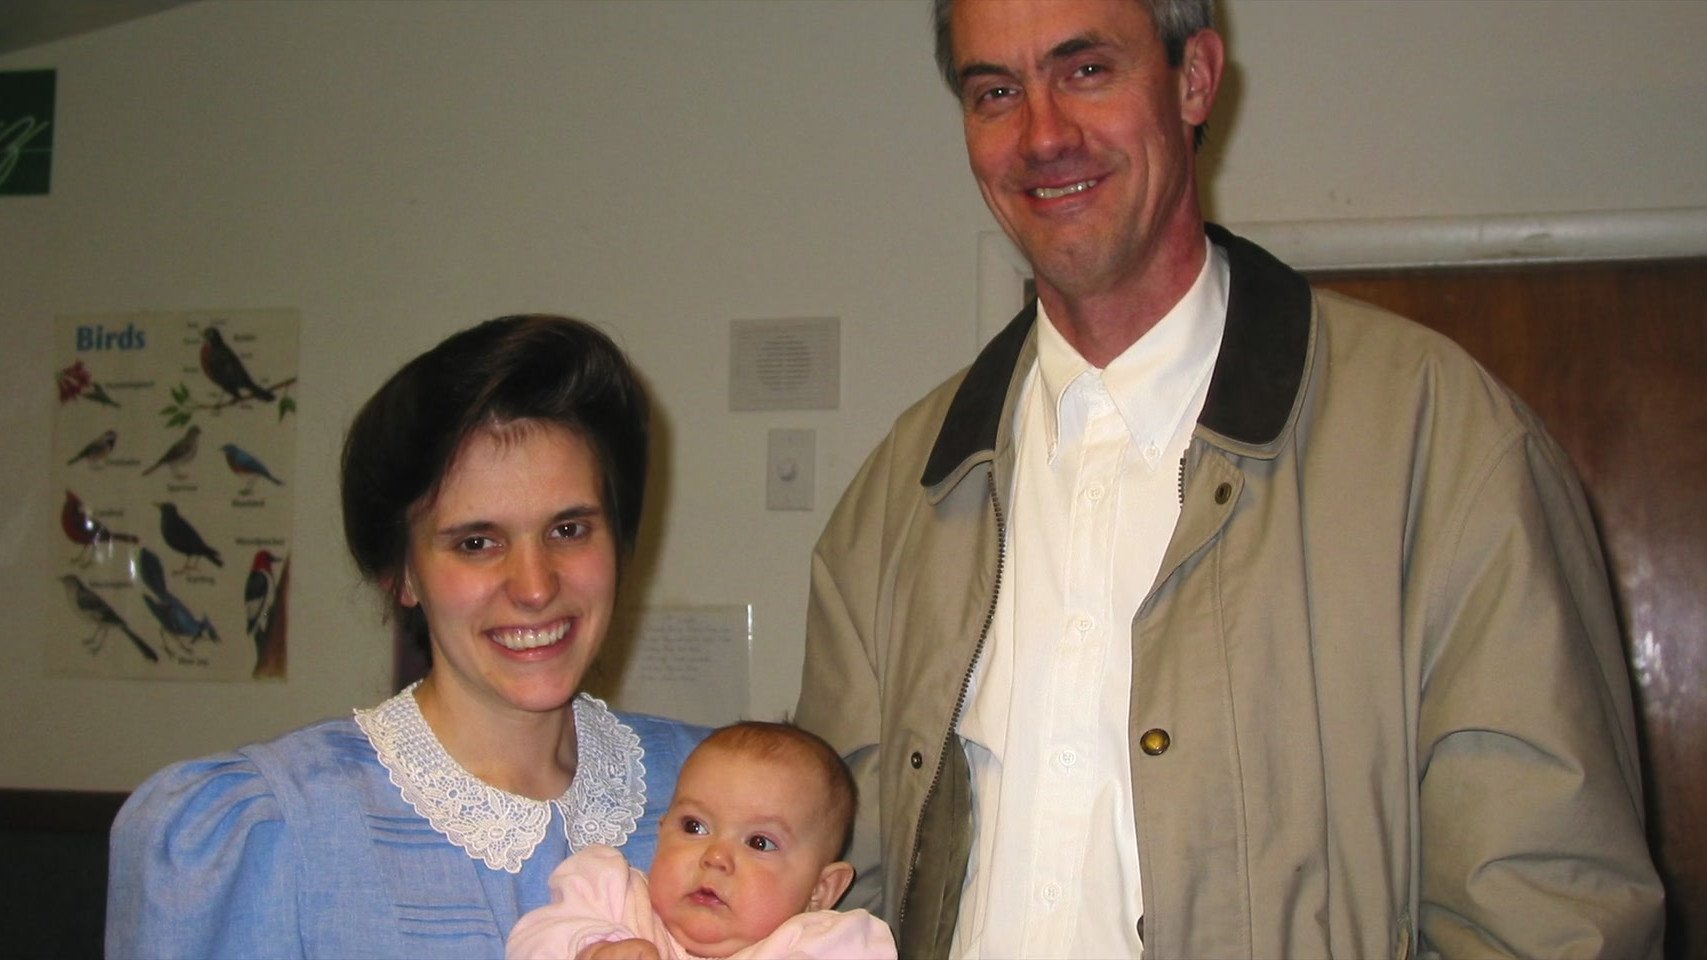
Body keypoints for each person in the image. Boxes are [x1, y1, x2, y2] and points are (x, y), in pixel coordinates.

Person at [794, 1, 1667, 957]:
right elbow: (822, 890)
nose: (1042, 135)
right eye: (996, 92)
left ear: (1194, 78)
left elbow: (1548, 911)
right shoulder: (898, 498)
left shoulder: (1441, 444)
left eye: (1086, 71)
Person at [107, 315, 710, 958]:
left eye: (569, 530)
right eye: (476, 543)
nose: (535, 587)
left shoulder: (725, 790)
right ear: (401, 574)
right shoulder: (270, 828)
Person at [507, 721, 895, 960]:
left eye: (759, 843)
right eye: (694, 827)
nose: (715, 857)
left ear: (820, 890)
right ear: (661, 833)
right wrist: (593, 951)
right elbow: (534, 940)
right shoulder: (610, 896)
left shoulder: (830, 944)